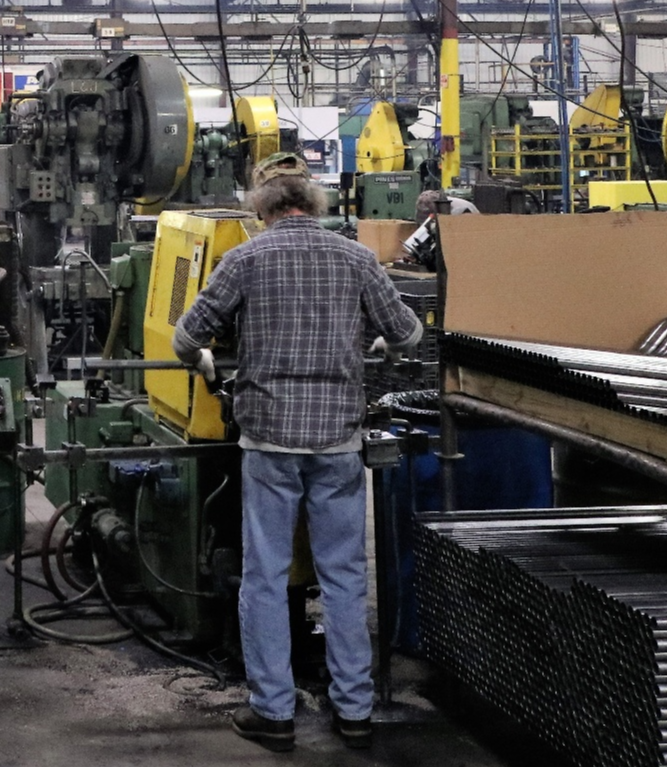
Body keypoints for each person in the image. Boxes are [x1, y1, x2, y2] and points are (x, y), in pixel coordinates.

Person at [172, 152, 422, 753]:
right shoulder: (357, 258)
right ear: (315, 206)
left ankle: (274, 712)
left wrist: (205, 362)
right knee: (343, 577)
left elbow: (186, 338)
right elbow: (410, 333)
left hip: (269, 441)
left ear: (261, 211)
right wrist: (379, 342)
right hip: (337, 438)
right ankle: (354, 711)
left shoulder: (246, 258)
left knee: (263, 576)